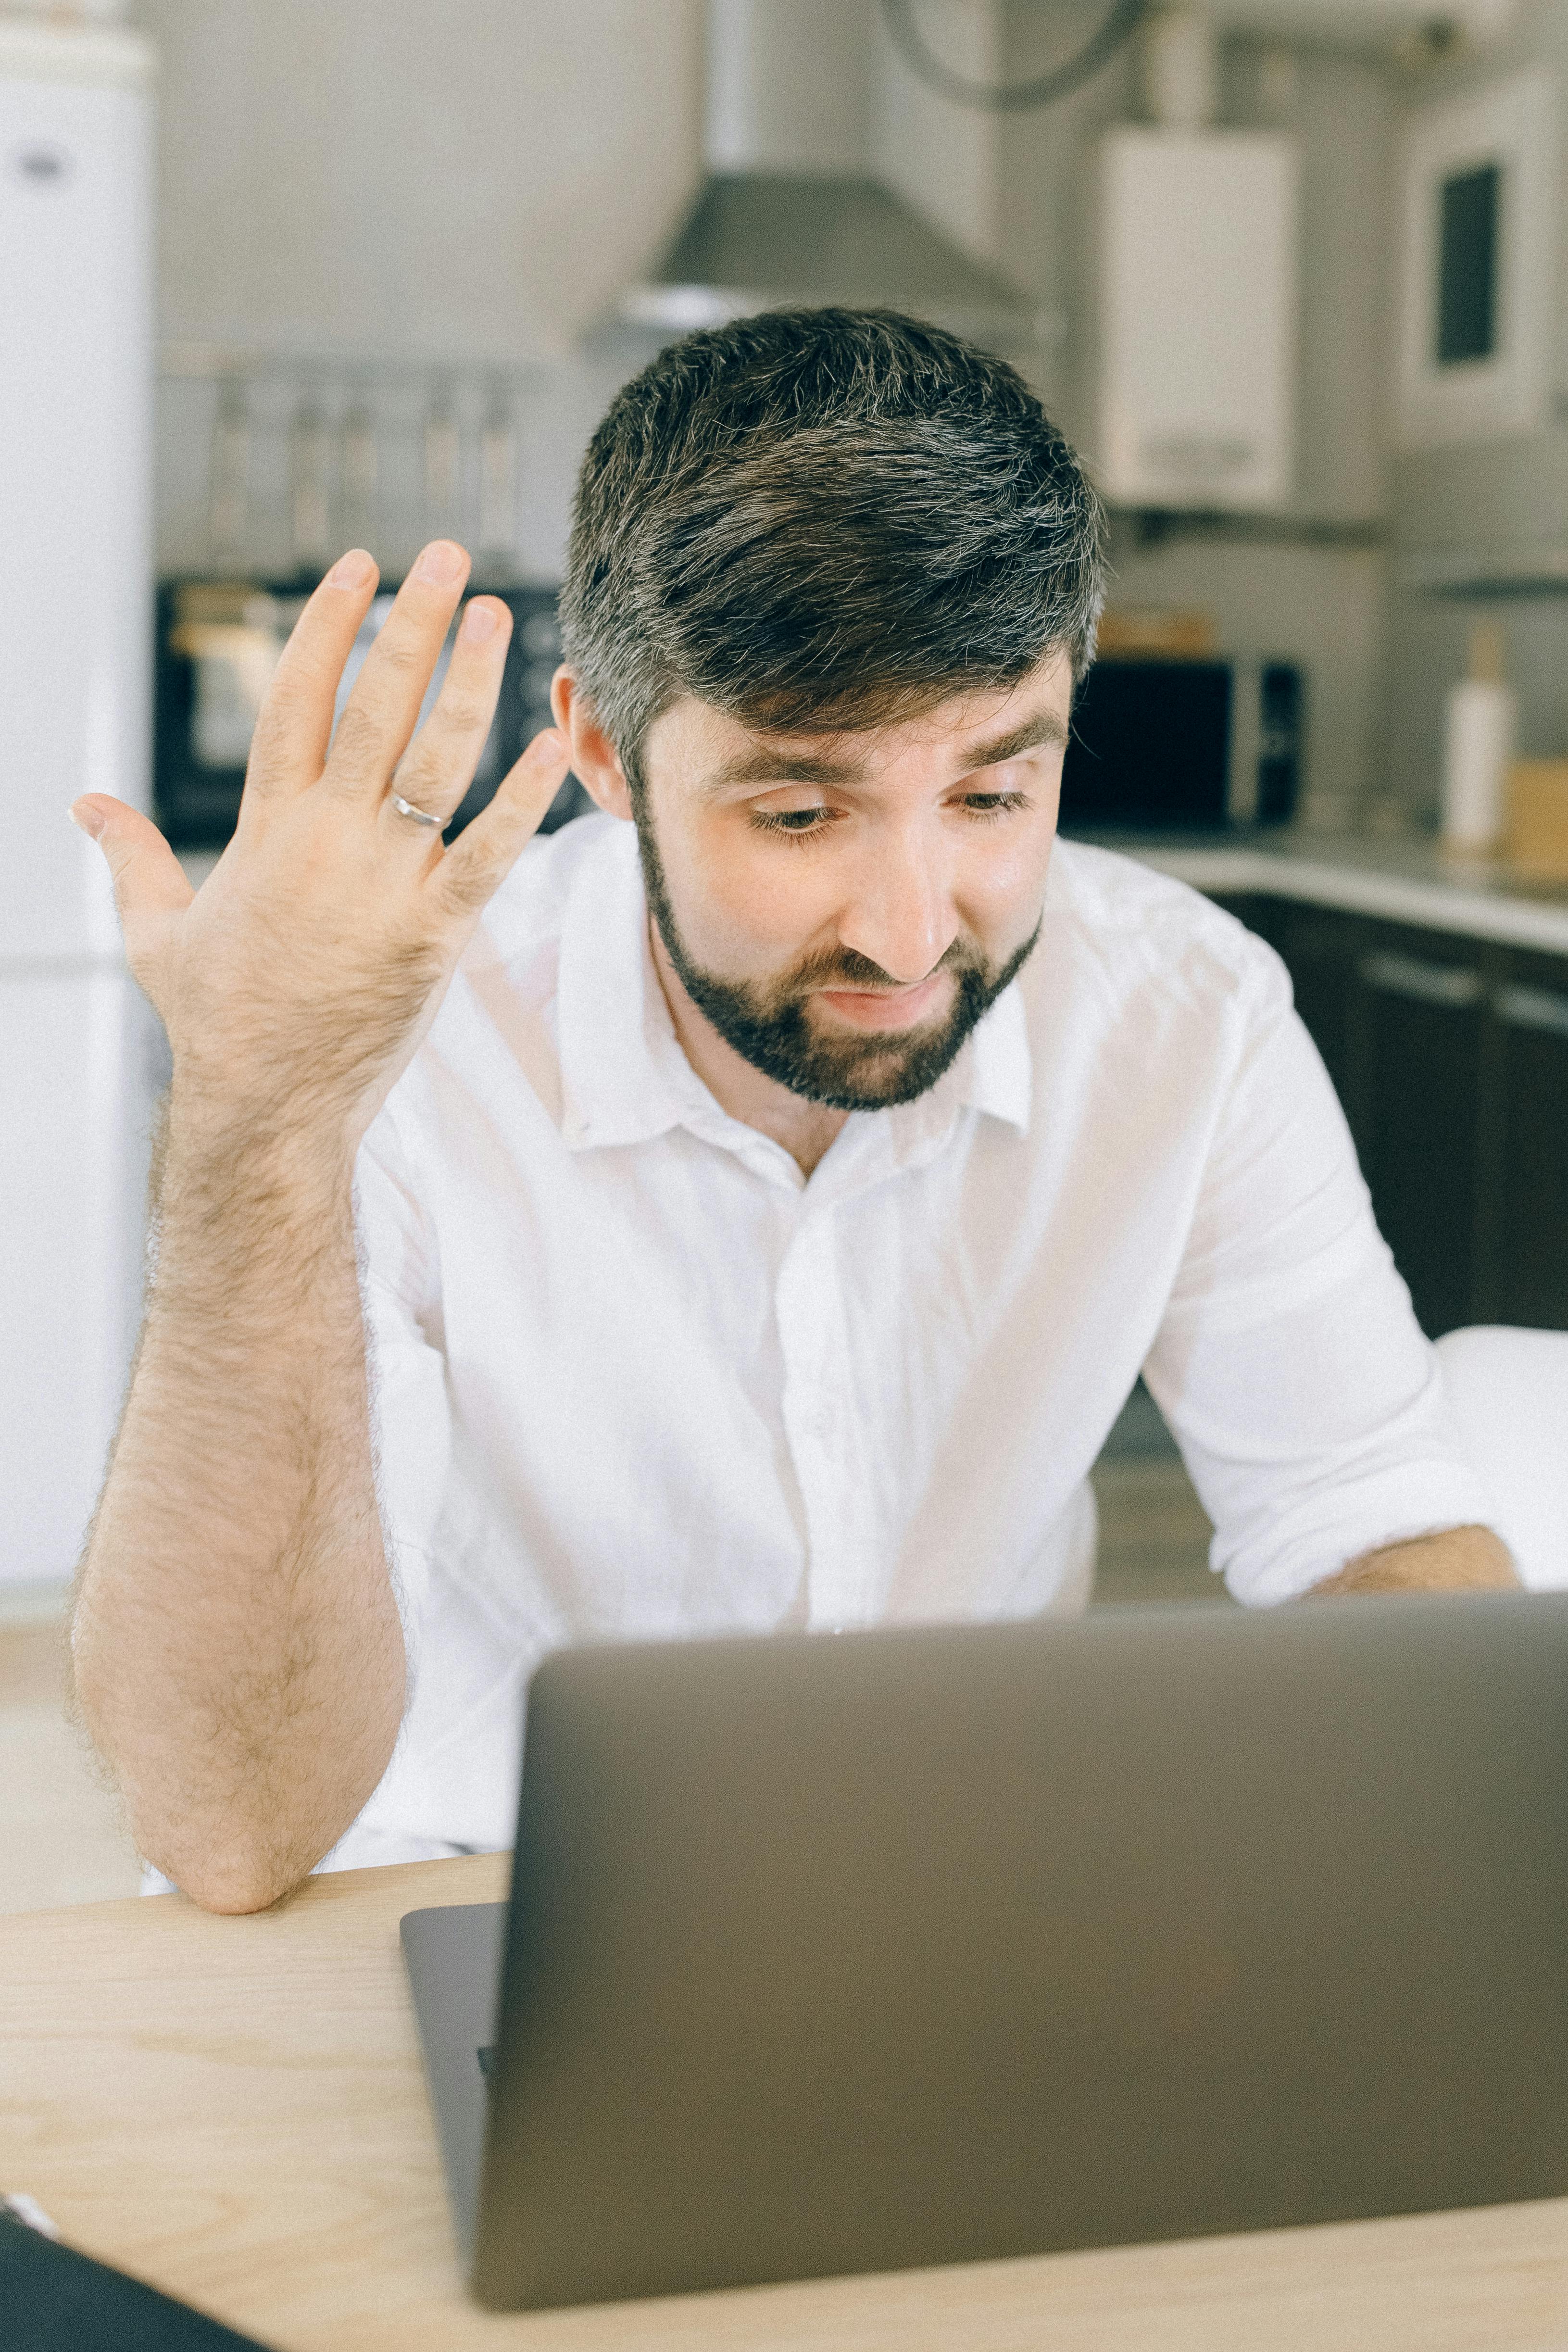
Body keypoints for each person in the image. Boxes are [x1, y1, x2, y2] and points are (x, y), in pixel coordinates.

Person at [68, 311, 1514, 1914]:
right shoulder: (402, 1049)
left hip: (965, 1910)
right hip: (457, 1891)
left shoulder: (1190, 1018)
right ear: (609, 756)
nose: (909, 933)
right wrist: (259, 1128)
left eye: (988, 795)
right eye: (804, 809)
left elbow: (1371, 1524)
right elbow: (228, 1825)